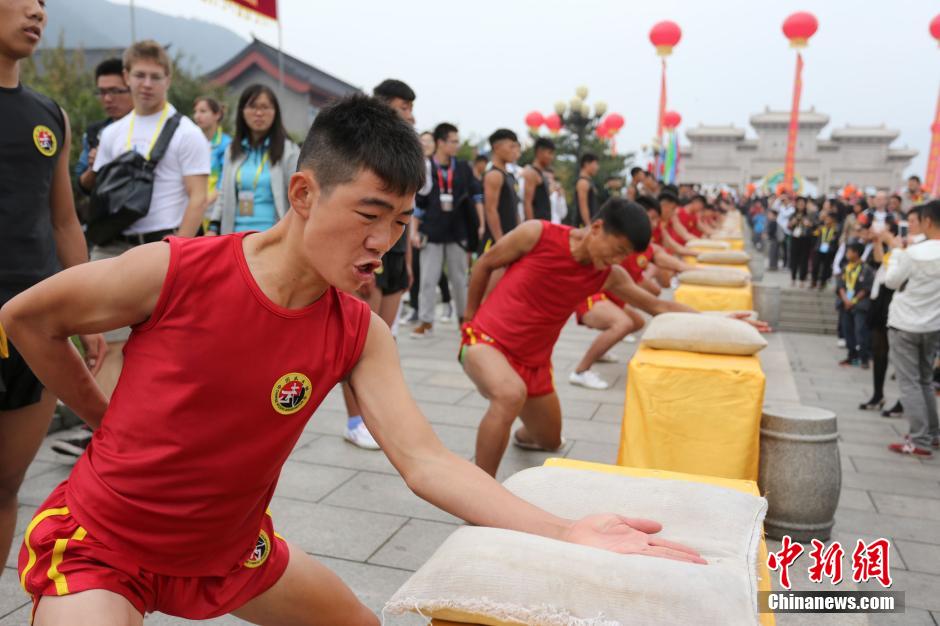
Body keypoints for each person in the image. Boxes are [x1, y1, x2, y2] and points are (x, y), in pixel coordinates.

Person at [1, 95, 705, 624]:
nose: (385, 243)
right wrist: (102, 413)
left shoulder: (357, 330)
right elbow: (27, 318)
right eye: (370, 216)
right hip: (106, 544)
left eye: (400, 224)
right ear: (304, 194)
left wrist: (564, 530)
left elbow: (426, 461)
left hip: (230, 548)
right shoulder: (174, 271)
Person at [0, 0, 106, 575]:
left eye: (44, 1)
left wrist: (85, 316)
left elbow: (64, 222)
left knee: (6, 483)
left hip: (32, 325)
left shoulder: (51, 116)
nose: (37, 9)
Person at [81, 39, 209, 399]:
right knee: (107, 344)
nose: (147, 84)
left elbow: (197, 199)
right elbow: (104, 193)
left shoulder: (186, 132)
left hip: (162, 246)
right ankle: (103, 438)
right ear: (127, 76)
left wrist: (180, 252)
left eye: (155, 76)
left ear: (168, 79)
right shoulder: (112, 133)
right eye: (139, 75)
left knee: (163, 347)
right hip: (113, 247)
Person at [341, 79, 417, 449]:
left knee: (381, 338)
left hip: (399, 253)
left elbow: (409, 215)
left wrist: (410, 259)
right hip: (371, 258)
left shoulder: (410, 153)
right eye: (404, 107)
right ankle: (355, 418)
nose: (410, 115)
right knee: (355, 341)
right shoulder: (364, 154)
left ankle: (376, 417)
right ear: (384, 105)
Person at [884, 200, 940, 457]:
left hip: (905, 322)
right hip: (932, 324)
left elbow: (892, 281)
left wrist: (896, 251)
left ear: (927, 221)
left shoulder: (914, 253)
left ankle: (919, 440)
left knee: (910, 383)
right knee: (926, 380)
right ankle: (933, 433)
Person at [209, 85, 299, 235]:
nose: (258, 113)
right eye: (252, 107)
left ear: (275, 112)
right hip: (235, 237)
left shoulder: (289, 151)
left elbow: (298, 196)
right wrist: (213, 228)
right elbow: (223, 194)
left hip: (273, 238)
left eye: (265, 107)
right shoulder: (232, 150)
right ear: (242, 112)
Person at [411, 122, 473, 337]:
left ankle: (464, 320)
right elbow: (419, 202)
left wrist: (478, 225)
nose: (456, 145)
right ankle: (426, 322)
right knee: (428, 278)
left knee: (459, 279)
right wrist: (414, 231)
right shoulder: (426, 166)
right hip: (432, 229)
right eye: (453, 141)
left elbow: (474, 197)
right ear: (440, 142)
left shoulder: (463, 168)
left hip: (458, 231)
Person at [74, 58, 134, 197]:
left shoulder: (156, 129)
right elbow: (82, 186)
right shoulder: (94, 133)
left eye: (115, 91)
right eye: (102, 92)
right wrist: (96, 167)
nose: (107, 99)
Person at [479, 128, 520, 251]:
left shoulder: (509, 175)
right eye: (511, 147)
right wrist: (500, 242)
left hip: (510, 237)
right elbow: (491, 210)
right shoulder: (494, 175)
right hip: (496, 241)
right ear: (497, 147)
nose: (515, 151)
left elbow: (514, 208)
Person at [192, 95, 231, 221]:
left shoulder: (227, 144)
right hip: (194, 208)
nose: (197, 116)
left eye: (203, 111)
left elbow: (225, 180)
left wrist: (205, 201)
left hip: (216, 211)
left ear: (217, 115)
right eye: (195, 112)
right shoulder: (191, 142)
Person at [837, 241, 874, 369]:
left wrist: (853, 301)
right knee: (847, 331)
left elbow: (866, 289)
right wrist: (845, 300)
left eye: (849, 251)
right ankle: (851, 355)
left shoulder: (866, 269)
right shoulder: (846, 268)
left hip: (860, 305)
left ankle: (864, 357)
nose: (847, 254)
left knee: (860, 330)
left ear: (856, 253)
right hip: (845, 304)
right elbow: (840, 286)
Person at [521, 137, 554, 221]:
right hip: (536, 227)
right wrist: (531, 228)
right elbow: (527, 203)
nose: (551, 157)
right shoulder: (532, 173)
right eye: (549, 153)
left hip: (544, 224)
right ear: (539, 152)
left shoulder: (541, 174)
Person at [788, 196, 815, 287]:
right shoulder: (793, 214)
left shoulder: (809, 215)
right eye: (799, 204)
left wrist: (808, 224)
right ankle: (793, 278)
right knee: (794, 259)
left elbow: (813, 226)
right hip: (795, 239)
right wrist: (792, 223)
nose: (801, 206)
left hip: (805, 239)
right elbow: (789, 226)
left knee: (804, 259)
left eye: (802, 204)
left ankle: (802, 279)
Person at [811, 209, 839, 290]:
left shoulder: (836, 229)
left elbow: (836, 240)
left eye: (829, 218)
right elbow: (813, 234)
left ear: (833, 220)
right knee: (815, 265)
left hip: (829, 250)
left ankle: (823, 282)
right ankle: (814, 281)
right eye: (826, 218)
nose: (827, 220)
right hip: (818, 248)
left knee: (826, 267)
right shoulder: (821, 227)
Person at [574, 153, 599, 226]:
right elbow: (583, 207)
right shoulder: (583, 182)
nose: (597, 167)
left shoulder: (589, 182)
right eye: (595, 164)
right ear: (586, 164)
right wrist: (588, 226)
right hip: (582, 226)